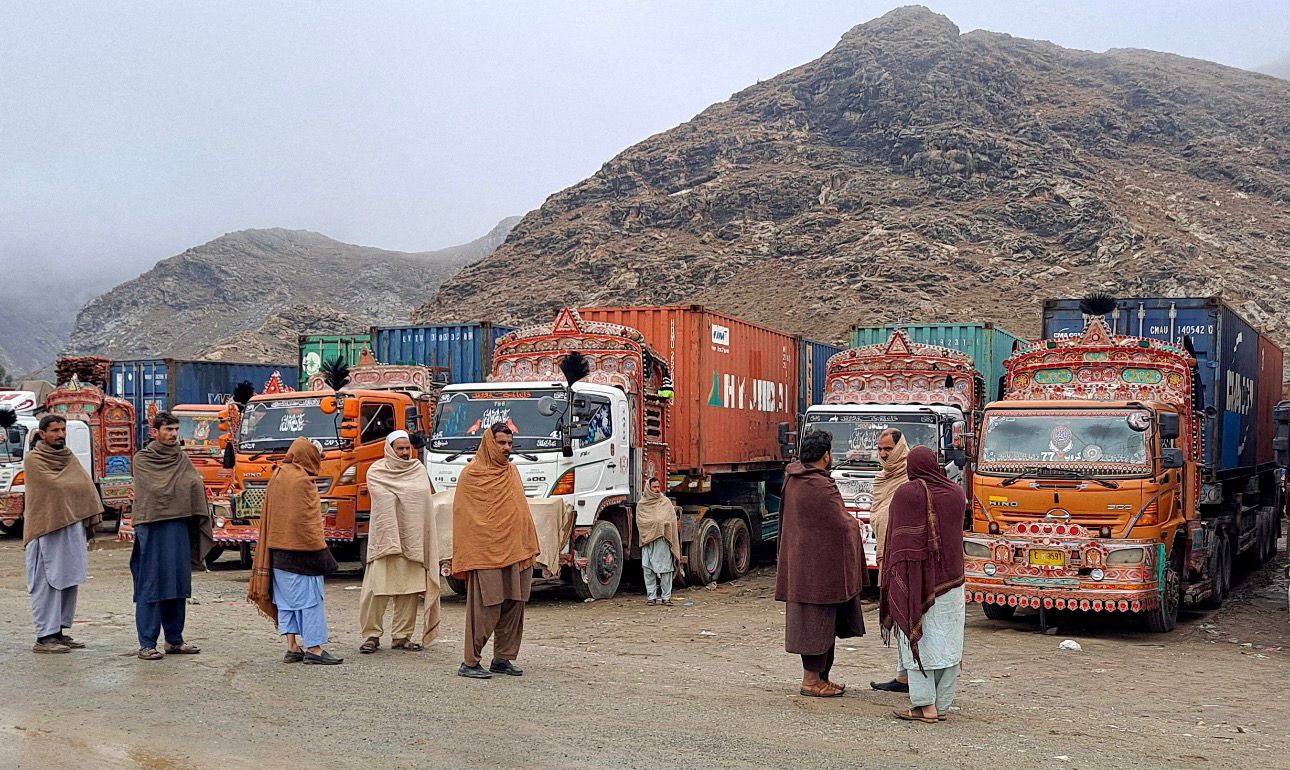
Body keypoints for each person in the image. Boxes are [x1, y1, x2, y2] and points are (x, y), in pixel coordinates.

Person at [775, 429, 866, 697]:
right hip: (817, 572)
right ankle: (811, 681)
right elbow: (839, 522)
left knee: (822, 623)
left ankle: (822, 678)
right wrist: (854, 523)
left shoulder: (794, 480)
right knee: (815, 625)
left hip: (804, 565)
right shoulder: (818, 485)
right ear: (826, 456)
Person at [880, 445, 966, 723]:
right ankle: (941, 705)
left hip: (916, 584)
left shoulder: (907, 494)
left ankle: (924, 706)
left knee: (916, 639)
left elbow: (898, 542)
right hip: (952, 584)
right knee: (948, 643)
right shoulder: (956, 493)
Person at [451, 423, 540, 679]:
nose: (507, 449)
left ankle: (503, 658)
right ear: (490, 443)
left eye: (510, 444)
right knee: (486, 607)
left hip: (516, 549)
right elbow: (466, 518)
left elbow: (519, 510)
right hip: (485, 552)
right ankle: (470, 661)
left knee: (515, 604)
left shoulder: (511, 472)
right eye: (501, 443)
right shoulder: (472, 475)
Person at [247, 437, 343, 665]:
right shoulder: (302, 480)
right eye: (317, 457)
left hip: (277, 551)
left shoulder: (278, 475)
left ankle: (292, 647)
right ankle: (314, 648)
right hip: (302, 552)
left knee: (286, 601)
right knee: (310, 600)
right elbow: (308, 523)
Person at [130, 411, 213, 660]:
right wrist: (183, 489)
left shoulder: (181, 457)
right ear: (155, 432)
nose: (174, 434)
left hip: (178, 525)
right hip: (152, 525)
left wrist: (187, 489)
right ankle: (147, 643)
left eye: (176, 430)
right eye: (168, 430)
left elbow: (194, 484)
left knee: (177, 583)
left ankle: (174, 640)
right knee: (151, 584)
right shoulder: (142, 459)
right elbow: (156, 490)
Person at [22, 415, 103, 653]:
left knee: (68, 579)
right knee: (47, 582)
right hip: (46, 528)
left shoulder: (68, 457)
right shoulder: (34, 460)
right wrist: (74, 489)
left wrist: (75, 493)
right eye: (55, 430)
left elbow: (84, 485)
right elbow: (57, 488)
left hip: (71, 526)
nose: (60, 434)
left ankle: (58, 631)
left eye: (62, 429)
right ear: (43, 433)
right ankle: (44, 637)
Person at [358, 430, 441, 654]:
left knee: (409, 591)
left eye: (407, 448)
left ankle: (401, 637)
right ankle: (371, 636)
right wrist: (405, 499)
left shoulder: (418, 469)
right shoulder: (377, 471)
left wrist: (402, 499)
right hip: (386, 541)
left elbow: (422, 501)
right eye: (400, 449)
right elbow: (384, 500)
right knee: (376, 591)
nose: (405, 453)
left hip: (413, 539)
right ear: (390, 449)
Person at [869, 428, 911, 693]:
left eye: (889, 449)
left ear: (900, 448)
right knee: (898, 615)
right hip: (888, 555)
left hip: (903, 558)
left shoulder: (911, 478)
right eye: (881, 449)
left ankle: (909, 676)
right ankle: (903, 674)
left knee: (906, 614)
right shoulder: (882, 479)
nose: (884, 454)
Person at [636, 477, 682, 606]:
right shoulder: (642, 504)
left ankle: (666, 597)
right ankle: (651, 597)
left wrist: (661, 524)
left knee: (666, 569)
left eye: (658, 487)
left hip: (663, 540)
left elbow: (671, 520)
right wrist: (657, 524)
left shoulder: (665, 502)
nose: (657, 490)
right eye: (654, 487)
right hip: (647, 540)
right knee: (648, 568)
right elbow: (641, 522)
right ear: (648, 488)